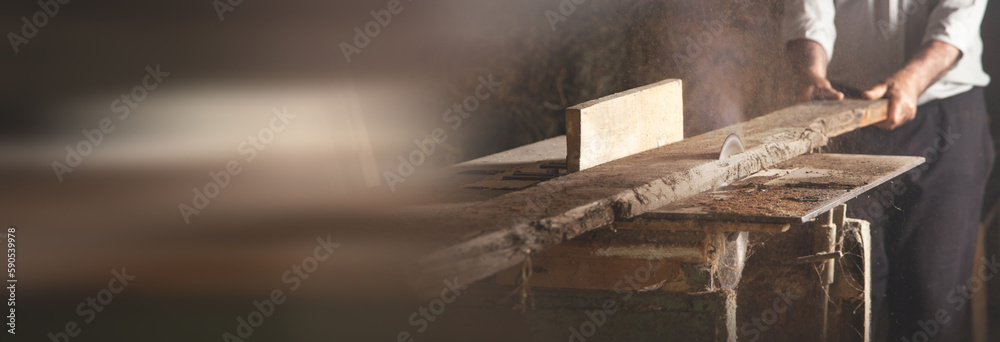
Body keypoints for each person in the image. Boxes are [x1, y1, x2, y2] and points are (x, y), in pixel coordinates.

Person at [782, 0, 994, 340]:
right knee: (846, 293)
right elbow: (810, 8)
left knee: (931, 301)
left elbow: (957, 15)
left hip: (945, 118)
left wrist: (913, 77)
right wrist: (811, 70)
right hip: (845, 111)